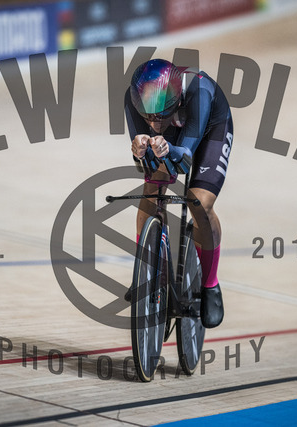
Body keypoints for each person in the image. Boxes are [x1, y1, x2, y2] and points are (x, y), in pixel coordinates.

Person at [124, 58, 234, 328]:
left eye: (160, 115)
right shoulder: (134, 99)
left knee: (199, 203)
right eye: (148, 116)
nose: (154, 122)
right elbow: (144, 164)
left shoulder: (199, 91)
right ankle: (145, 271)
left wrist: (166, 149)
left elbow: (184, 160)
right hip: (173, 134)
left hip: (210, 130)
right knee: (152, 189)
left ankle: (210, 284)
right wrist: (139, 150)